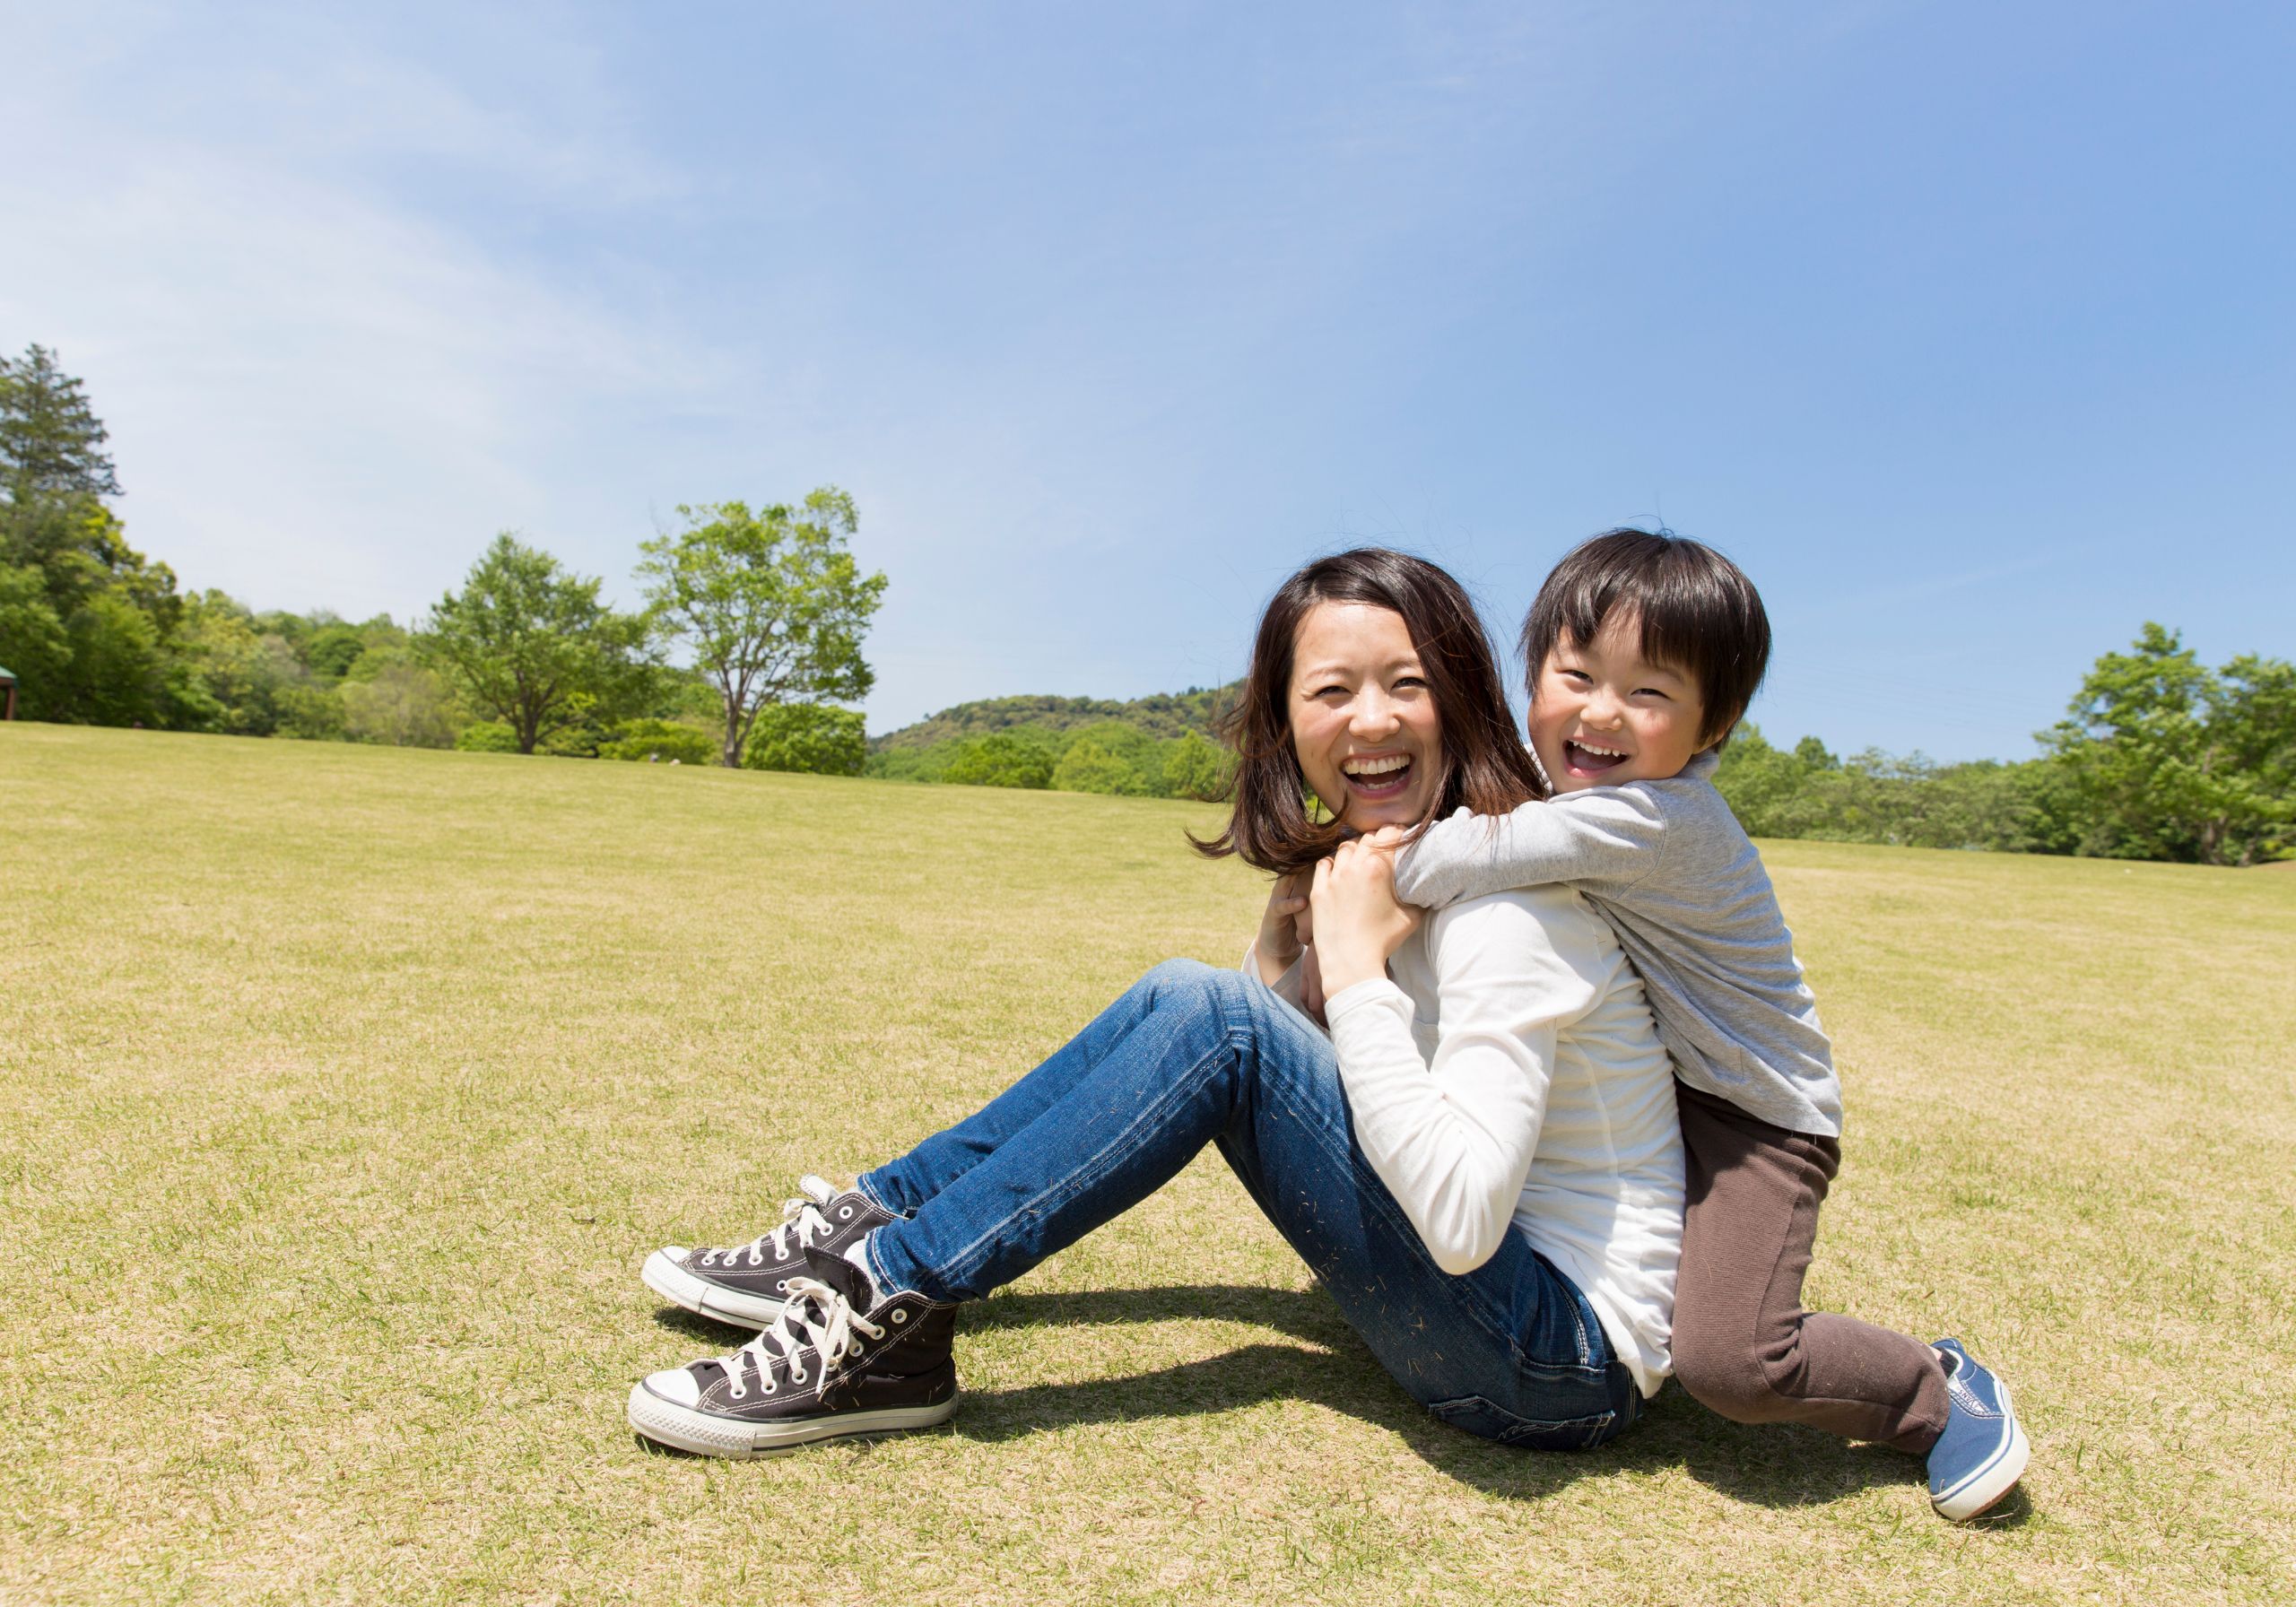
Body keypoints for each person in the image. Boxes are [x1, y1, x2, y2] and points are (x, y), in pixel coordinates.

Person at [627, 548, 1686, 1461]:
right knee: (1201, 999)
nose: (1370, 719)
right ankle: (875, 1221)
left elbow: (1456, 1224)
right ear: (1284, 719)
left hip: (1559, 1364)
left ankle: (886, 1308)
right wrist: (1291, 964)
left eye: (1407, 684)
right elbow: (1329, 1096)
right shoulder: (1399, 872)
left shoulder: (1509, 909)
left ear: (1462, 697)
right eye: (1330, 692)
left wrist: (1352, 974)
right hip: (1505, 1318)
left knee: (1208, 1014)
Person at [1383, 528, 2029, 1521]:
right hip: (1666, 1080)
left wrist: (1347, 871)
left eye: (1649, 693)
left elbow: (1444, 861)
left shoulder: (1652, 817)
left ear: (1709, 724)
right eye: (1575, 673)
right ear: (1533, 676)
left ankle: (1933, 1389)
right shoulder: (1593, 798)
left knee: (1732, 1361)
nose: (1601, 712)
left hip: (1757, 1118)